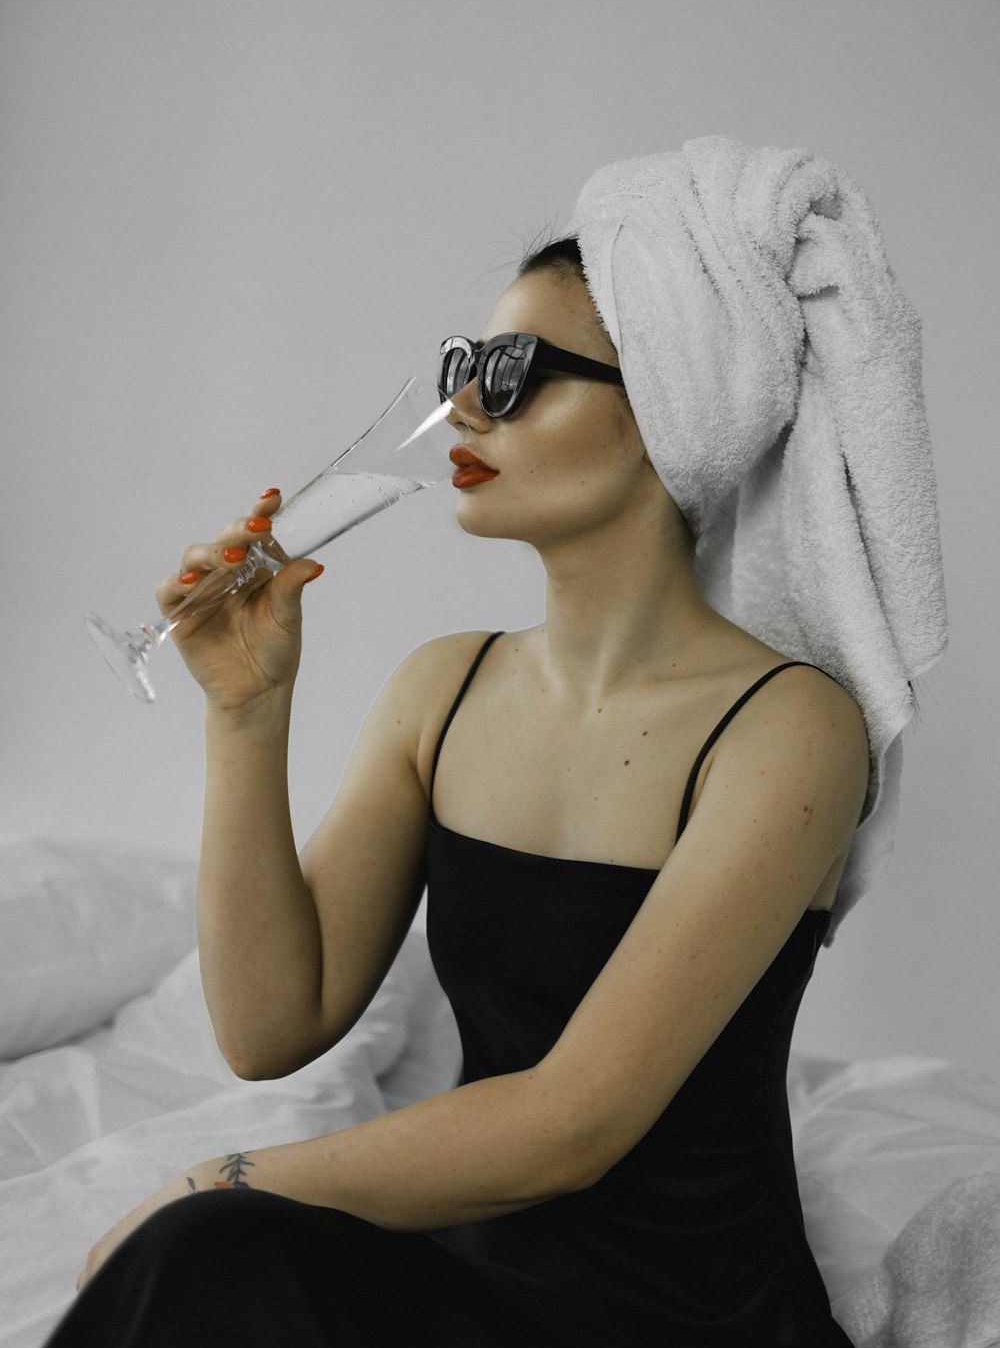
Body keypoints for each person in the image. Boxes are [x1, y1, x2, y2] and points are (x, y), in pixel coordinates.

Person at [48, 137, 945, 1347]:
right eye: (464, 362)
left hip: (678, 1312)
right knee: (213, 1268)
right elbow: (270, 1026)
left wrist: (211, 1178)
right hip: (469, 1279)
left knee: (205, 1240)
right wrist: (246, 715)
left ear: (666, 406)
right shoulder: (447, 687)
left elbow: (572, 1122)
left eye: (514, 369)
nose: (461, 404)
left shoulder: (789, 728)